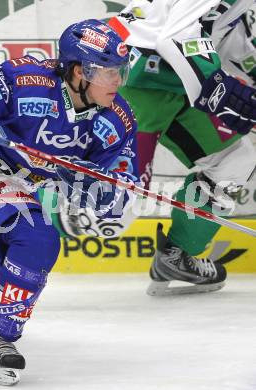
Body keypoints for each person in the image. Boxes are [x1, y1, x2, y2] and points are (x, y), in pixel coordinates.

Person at [0, 19, 139, 386]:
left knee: (18, 242)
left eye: (120, 72)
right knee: (36, 239)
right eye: (108, 73)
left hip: (19, 185)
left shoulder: (117, 120)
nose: (117, 82)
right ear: (80, 71)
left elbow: (120, 186)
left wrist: (96, 185)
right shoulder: (27, 80)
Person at [108, 0, 256, 295]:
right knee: (111, 210)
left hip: (181, 86)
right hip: (135, 80)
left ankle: (177, 254)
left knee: (234, 160)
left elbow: (228, 39)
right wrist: (220, 89)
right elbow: (174, 36)